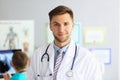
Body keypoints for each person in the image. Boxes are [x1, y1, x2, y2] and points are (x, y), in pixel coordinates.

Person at [27, 5, 104, 80]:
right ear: (50, 26)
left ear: (73, 25)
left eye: (66, 24)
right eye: (56, 24)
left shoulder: (87, 58)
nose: (61, 29)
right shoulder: (38, 55)